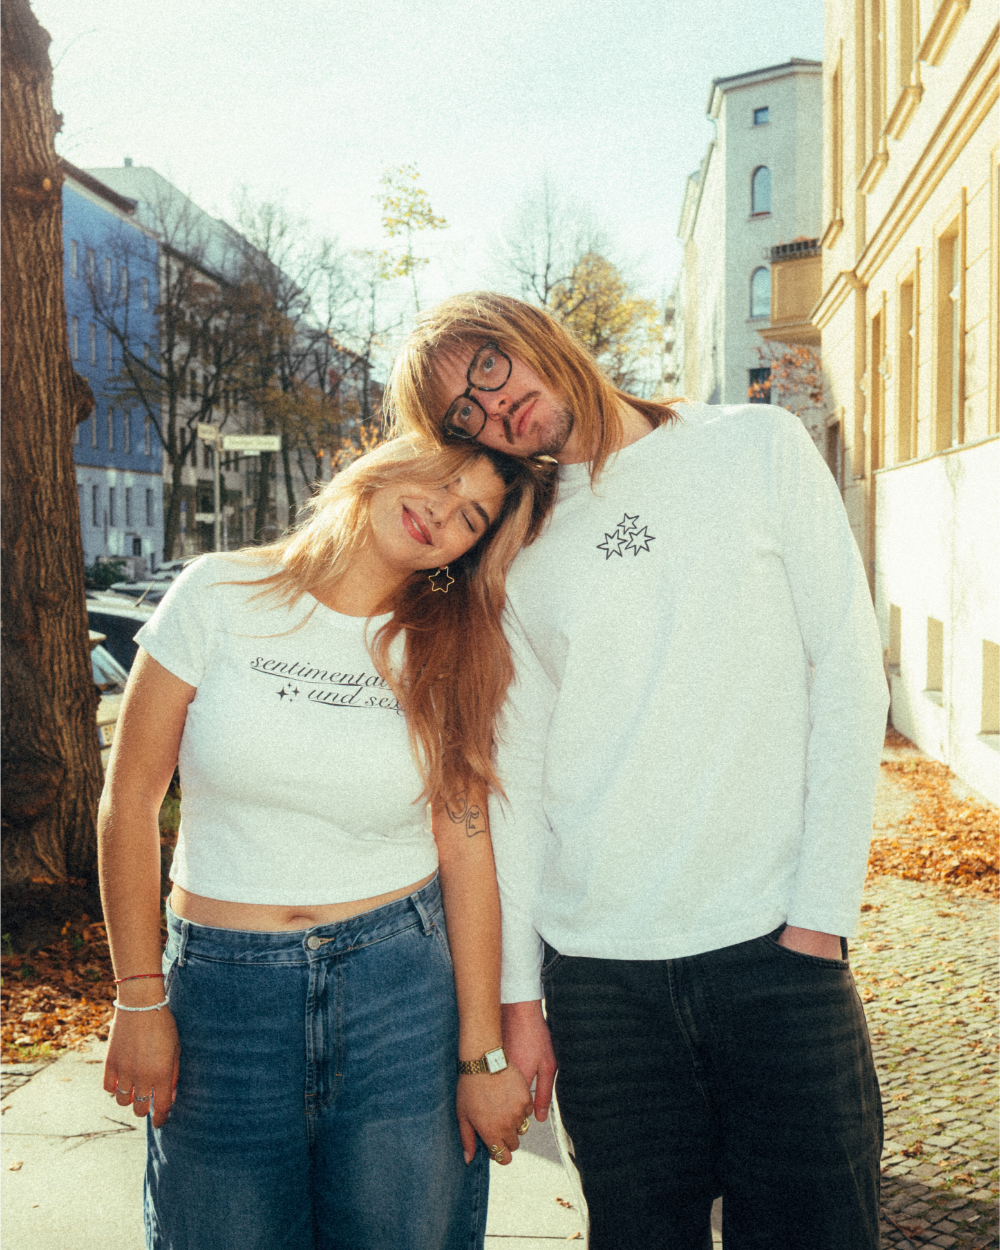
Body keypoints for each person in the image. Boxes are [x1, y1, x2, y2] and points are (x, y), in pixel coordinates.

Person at [384, 292, 891, 1249]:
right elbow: (518, 781)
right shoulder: (512, 547)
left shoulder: (758, 446)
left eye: (489, 365)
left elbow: (848, 674)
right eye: (464, 412)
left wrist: (820, 920)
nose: (494, 405)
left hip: (777, 953)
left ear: (533, 333)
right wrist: (520, 1001)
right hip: (602, 985)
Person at [98, 433, 553, 1250]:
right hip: (221, 1002)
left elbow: (464, 846)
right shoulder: (218, 593)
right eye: (443, 479)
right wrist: (138, 996)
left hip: (399, 999)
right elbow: (129, 802)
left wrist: (482, 1057)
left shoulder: (452, 645)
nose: (442, 511)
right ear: (389, 461)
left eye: (472, 516)